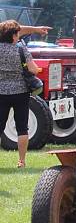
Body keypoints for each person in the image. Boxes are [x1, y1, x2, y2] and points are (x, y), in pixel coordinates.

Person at [0, 20, 42, 168]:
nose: (19, 36)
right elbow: (33, 69)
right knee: (22, 127)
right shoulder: (21, 49)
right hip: (20, 92)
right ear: (12, 35)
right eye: (17, 33)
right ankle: (21, 161)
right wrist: (37, 70)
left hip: (1, 92)